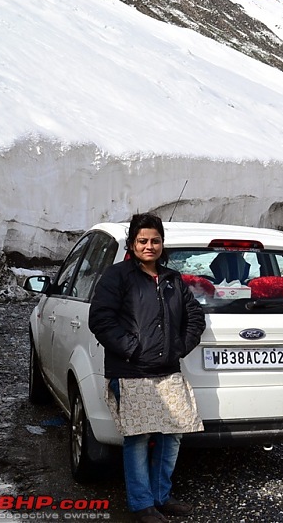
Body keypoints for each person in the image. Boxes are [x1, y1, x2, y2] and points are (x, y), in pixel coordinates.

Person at [89, 213, 206, 523]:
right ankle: (142, 504)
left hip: (168, 370)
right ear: (132, 243)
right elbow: (100, 319)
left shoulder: (173, 280)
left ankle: (160, 496)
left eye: (155, 240)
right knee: (138, 436)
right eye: (143, 241)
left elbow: (195, 317)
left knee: (173, 433)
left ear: (162, 243)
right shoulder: (117, 277)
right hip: (131, 371)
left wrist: (179, 347)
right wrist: (133, 348)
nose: (149, 246)